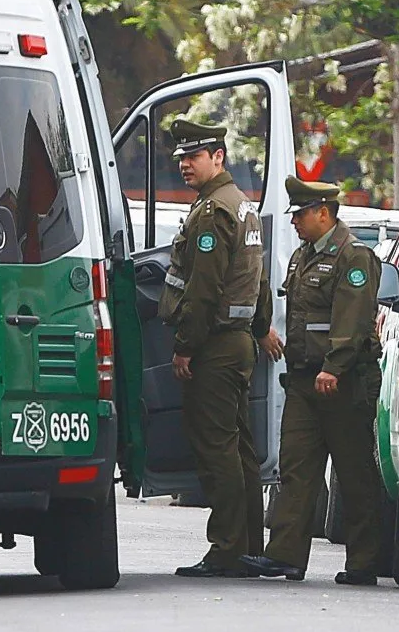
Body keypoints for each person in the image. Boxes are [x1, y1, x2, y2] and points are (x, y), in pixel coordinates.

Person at [239, 176, 384, 586]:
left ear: (324, 212)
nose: (294, 223)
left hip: (343, 381)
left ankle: (364, 561)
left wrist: (334, 367)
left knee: (353, 471)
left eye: (300, 215)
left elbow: (352, 320)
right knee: (296, 468)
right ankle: (285, 556)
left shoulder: (354, 257)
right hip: (304, 380)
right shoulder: (302, 257)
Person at [159, 119, 284, 578]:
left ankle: (228, 549)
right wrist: (261, 327)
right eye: (181, 159)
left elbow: (204, 290)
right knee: (239, 449)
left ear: (218, 157)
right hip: (237, 344)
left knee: (217, 449)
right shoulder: (243, 207)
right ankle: (249, 544)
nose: (185, 166)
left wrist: (185, 347)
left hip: (213, 346)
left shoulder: (213, 211)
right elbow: (261, 280)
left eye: (194, 157)